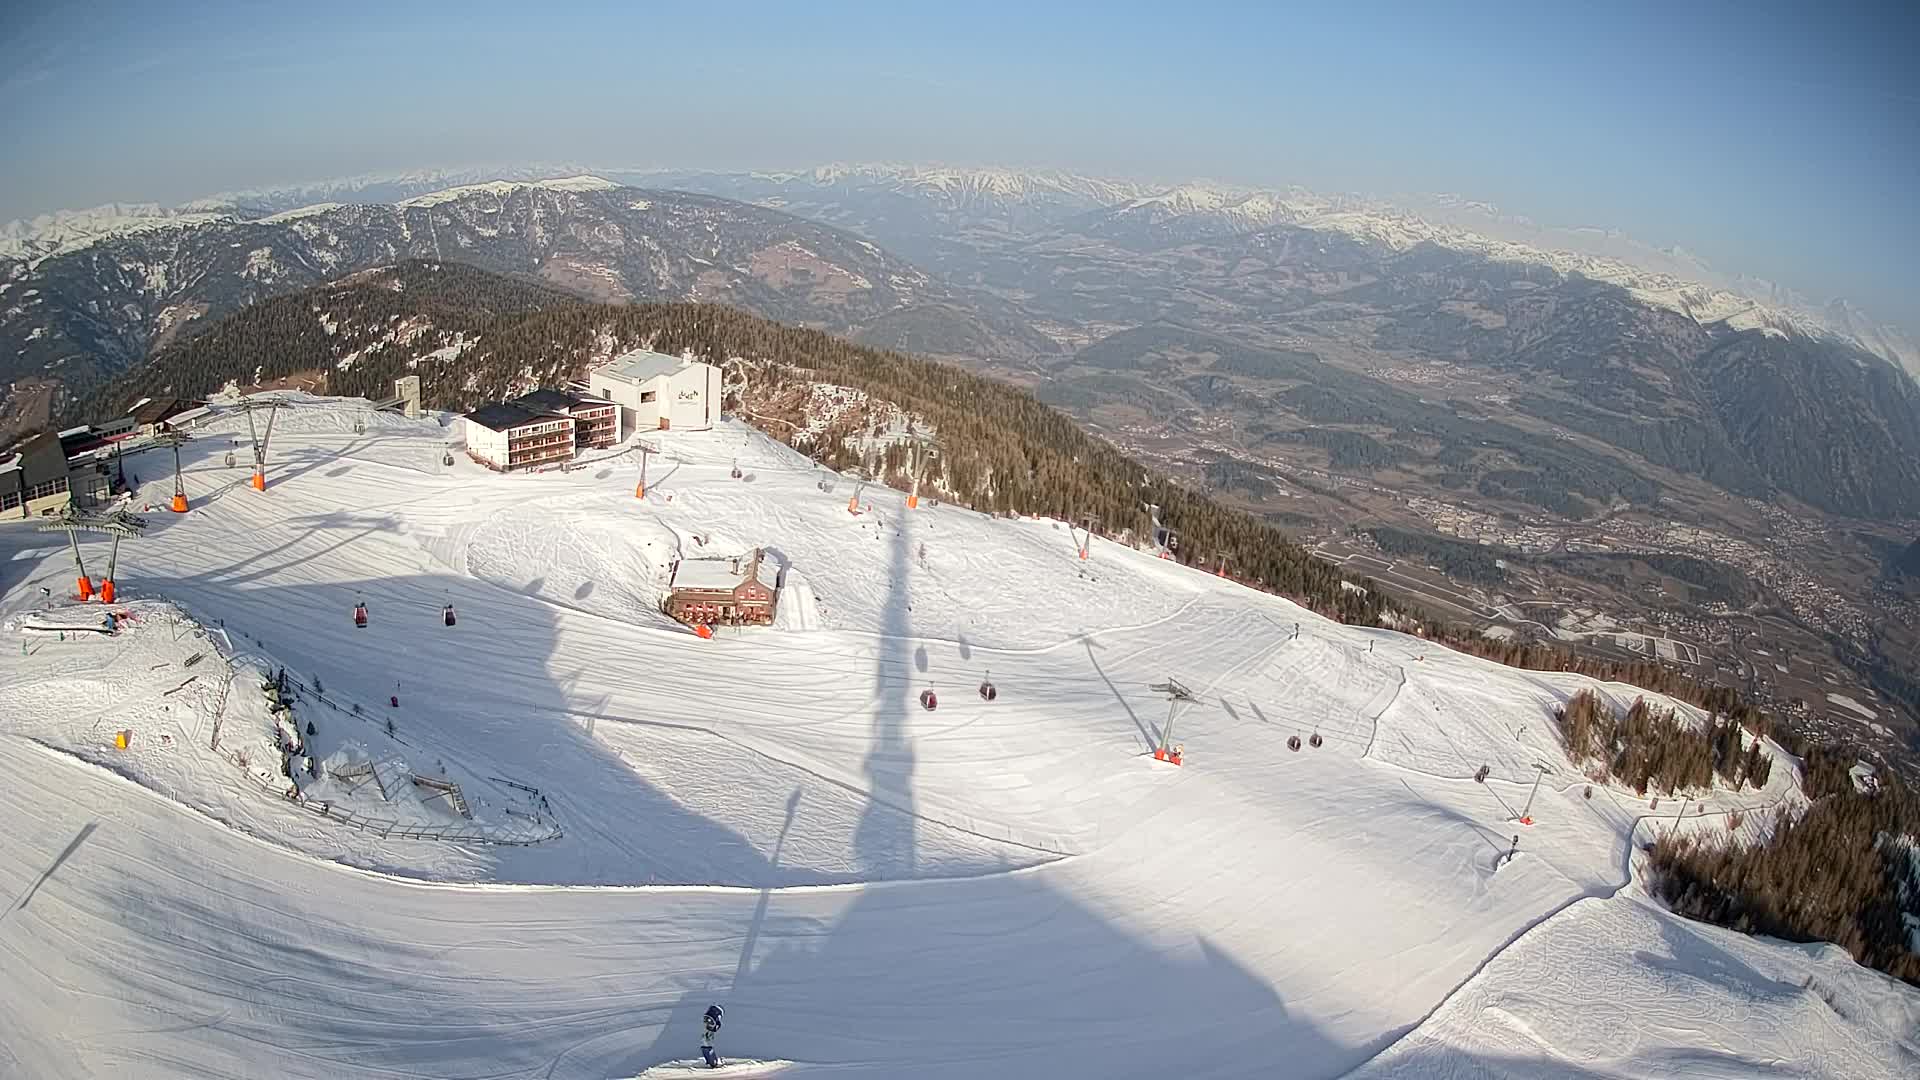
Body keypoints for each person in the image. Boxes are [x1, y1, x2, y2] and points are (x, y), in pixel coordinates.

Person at [700, 1004, 724, 1068]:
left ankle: (712, 1061)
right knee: (706, 1042)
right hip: (709, 1030)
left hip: (710, 1029)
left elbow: (716, 1026)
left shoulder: (714, 1021)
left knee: (706, 1043)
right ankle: (712, 1061)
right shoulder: (710, 1020)